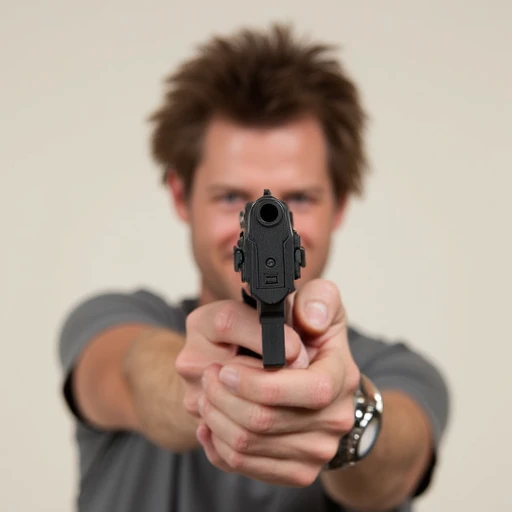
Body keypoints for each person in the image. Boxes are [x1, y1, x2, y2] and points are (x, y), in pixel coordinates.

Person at [57, 23, 450, 512]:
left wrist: (345, 412)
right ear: (181, 195)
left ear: (341, 204)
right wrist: (200, 385)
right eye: (231, 197)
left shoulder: (396, 372)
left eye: (300, 198)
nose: (262, 226)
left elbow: (395, 463)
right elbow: (133, 372)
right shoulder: (111, 319)